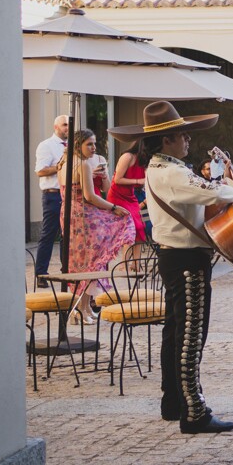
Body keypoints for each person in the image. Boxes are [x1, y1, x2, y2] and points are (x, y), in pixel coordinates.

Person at [110, 101, 233, 434]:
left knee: (176, 332)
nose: (189, 140)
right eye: (183, 135)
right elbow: (213, 190)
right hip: (187, 259)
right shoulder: (172, 171)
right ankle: (194, 411)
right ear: (167, 140)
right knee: (191, 334)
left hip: (174, 256)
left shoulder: (160, 168)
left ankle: (173, 401)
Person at [60, 129, 135, 317]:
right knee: (91, 261)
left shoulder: (63, 163)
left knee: (83, 261)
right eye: (89, 144)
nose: (94, 147)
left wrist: (103, 177)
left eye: (94, 143)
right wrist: (113, 208)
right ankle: (80, 307)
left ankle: (83, 307)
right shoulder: (82, 164)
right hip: (85, 214)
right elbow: (90, 196)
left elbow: (104, 190)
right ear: (78, 145)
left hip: (69, 213)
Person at [32, 113, 70, 285]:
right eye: (64, 125)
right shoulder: (46, 145)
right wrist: (61, 166)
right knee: (49, 234)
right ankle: (40, 274)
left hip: (69, 194)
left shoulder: (72, 146)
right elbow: (40, 170)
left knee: (66, 234)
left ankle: (66, 270)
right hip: (53, 194)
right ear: (56, 127)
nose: (68, 128)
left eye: (69, 125)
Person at [108, 139, 149, 242]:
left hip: (130, 195)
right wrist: (139, 181)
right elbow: (117, 179)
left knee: (140, 227)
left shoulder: (144, 160)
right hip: (118, 195)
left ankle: (136, 258)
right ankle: (127, 258)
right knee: (129, 229)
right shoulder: (128, 156)